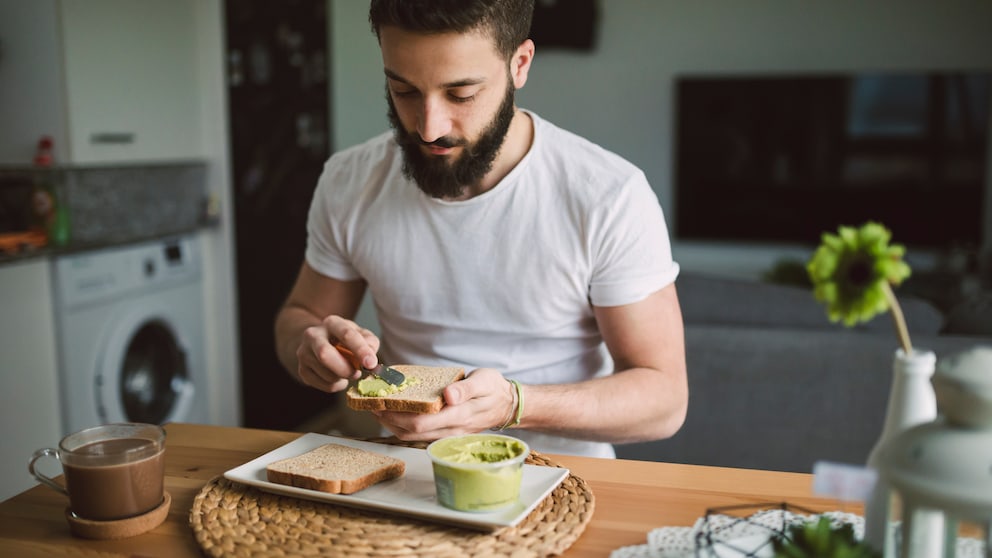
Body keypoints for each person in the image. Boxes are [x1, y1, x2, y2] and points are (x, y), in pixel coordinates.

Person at [274, 0, 687, 458]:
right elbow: (301, 317)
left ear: (520, 64)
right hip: (407, 473)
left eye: (461, 94)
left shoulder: (608, 195)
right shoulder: (349, 181)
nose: (429, 128)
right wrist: (310, 348)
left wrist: (516, 404)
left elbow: (664, 400)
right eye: (404, 91)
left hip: (566, 480)